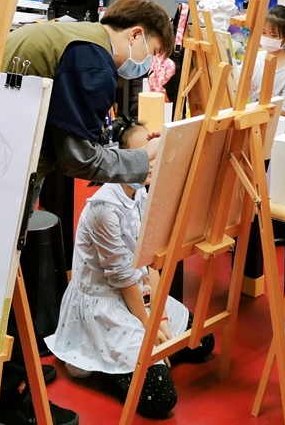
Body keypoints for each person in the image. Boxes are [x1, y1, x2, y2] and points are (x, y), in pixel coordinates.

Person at [0, 0, 173, 425]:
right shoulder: (93, 59)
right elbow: (78, 157)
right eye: (151, 52)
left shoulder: (74, 37)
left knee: (4, 279)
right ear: (136, 34)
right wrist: (139, 162)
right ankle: (11, 398)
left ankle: (15, 372)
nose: (146, 66)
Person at [46, 117, 213, 419]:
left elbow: (151, 261)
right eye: (143, 157)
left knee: (204, 342)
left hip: (139, 294)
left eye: (153, 156)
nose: (150, 164)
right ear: (120, 160)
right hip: (106, 304)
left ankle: (136, 356)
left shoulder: (142, 194)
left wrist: (160, 318)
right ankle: (102, 362)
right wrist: (150, 328)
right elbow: (124, 281)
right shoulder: (104, 210)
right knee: (161, 398)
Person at [242, 6, 285, 135]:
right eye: (264, 33)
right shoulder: (255, 58)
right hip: (256, 129)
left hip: (281, 132)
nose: (267, 38)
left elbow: (284, 111)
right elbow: (235, 81)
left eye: (273, 35)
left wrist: (250, 113)